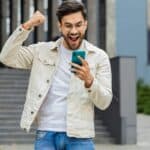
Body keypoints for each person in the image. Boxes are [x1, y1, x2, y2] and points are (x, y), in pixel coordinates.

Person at [0, 1, 112, 150]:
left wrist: (89, 81)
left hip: (80, 137)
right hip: (46, 135)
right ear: (60, 26)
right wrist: (27, 26)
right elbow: (6, 57)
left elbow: (105, 102)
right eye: (68, 25)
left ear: (85, 24)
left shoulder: (99, 57)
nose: (73, 31)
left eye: (78, 25)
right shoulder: (41, 51)